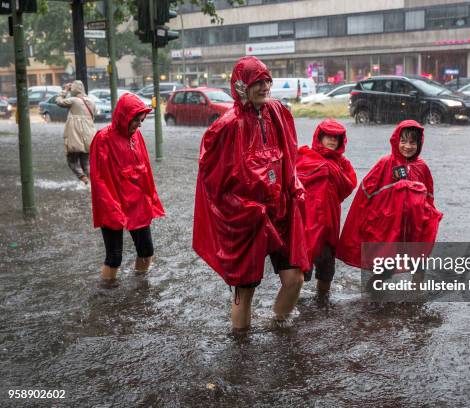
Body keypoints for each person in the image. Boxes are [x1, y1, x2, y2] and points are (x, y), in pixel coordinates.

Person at [193, 56, 310, 331]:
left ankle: (277, 325)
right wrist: (240, 209)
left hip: (280, 213)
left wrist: (294, 190)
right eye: (257, 82)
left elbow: (289, 157)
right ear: (243, 87)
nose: (264, 87)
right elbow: (212, 181)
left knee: (295, 280)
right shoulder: (227, 126)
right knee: (245, 292)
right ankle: (241, 349)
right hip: (247, 218)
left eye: (266, 81)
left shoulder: (278, 113)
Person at [337, 120, 443, 273]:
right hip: (388, 224)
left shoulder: (422, 167)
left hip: (413, 225)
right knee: (385, 262)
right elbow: (365, 193)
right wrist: (370, 220)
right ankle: (377, 289)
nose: (407, 146)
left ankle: (416, 293)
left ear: (419, 144)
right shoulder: (385, 163)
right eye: (403, 141)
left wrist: (430, 219)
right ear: (396, 141)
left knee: (418, 261)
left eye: (413, 142)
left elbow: (429, 198)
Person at [89, 93, 165, 288]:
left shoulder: (136, 136)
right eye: (136, 120)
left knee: (146, 250)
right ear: (124, 117)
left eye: (141, 120)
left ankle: (140, 284)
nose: (139, 125)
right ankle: (106, 294)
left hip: (137, 202)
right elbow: (99, 179)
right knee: (114, 256)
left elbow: (145, 168)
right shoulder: (103, 138)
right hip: (112, 202)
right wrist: (111, 208)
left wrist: (150, 198)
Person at [296, 119, 356, 294]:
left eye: (336, 138)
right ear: (319, 137)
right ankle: (293, 302)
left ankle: (322, 302)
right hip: (307, 224)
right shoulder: (305, 157)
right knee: (301, 269)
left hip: (329, 224)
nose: (332, 141)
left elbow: (348, 185)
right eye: (328, 136)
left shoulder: (342, 164)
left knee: (326, 269)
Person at [55, 80, 96, 185]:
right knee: (86, 162)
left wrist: (64, 90)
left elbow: (58, 101)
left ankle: (84, 179)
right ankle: (92, 184)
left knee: (72, 160)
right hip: (89, 135)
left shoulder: (73, 100)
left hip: (75, 136)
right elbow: (93, 118)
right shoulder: (91, 101)